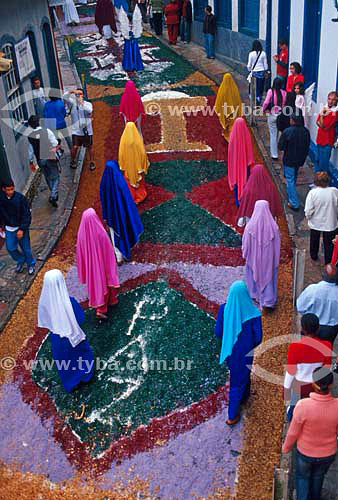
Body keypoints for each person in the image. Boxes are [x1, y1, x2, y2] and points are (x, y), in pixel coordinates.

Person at [282, 367, 338, 500]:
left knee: (302, 478)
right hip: (328, 454)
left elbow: (293, 433)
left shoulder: (302, 406)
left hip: (305, 453)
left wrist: (286, 448)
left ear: (313, 384)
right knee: (318, 478)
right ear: (331, 385)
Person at [37, 269, 94, 392]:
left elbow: (46, 321)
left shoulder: (44, 303)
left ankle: (71, 383)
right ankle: (85, 375)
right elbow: (80, 318)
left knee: (65, 361)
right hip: (73, 335)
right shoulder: (70, 302)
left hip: (58, 339)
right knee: (80, 355)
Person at [215, 280, 262, 426]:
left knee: (238, 377)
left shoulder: (224, 309)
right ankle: (232, 415)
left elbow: (217, 332)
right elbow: (258, 337)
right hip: (245, 353)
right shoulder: (254, 314)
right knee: (237, 383)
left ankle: (245, 395)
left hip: (230, 351)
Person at [284, 313, 332, 421]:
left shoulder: (294, 347)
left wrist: (286, 389)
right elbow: (326, 369)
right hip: (317, 385)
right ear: (318, 327)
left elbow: (291, 371)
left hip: (298, 385)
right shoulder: (327, 346)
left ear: (302, 329)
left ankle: (292, 419)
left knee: (294, 408)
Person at [76, 208, 120, 320]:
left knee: (98, 285)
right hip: (104, 265)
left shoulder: (81, 235)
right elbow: (108, 249)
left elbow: (80, 253)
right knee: (108, 282)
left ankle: (103, 307)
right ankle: (107, 304)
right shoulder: (100, 232)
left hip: (93, 267)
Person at [100, 160, 143, 263]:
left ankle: (119, 256)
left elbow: (103, 198)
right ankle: (125, 250)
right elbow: (127, 199)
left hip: (112, 215)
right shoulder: (121, 182)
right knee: (124, 230)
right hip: (122, 214)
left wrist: (106, 215)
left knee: (114, 234)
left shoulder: (104, 183)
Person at [242, 200, 281, 310]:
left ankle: (255, 294)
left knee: (253, 274)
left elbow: (245, 245)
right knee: (269, 277)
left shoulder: (249, 227)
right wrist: (275, 258)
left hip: (253, 259)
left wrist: (246, 254)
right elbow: (278, 245)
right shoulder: (274, 227)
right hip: (269, 260)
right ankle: (268, 300)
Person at [297, 264, 338, 345]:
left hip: (310, 326)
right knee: (325, 351)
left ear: (322, 275)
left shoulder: (312, 289)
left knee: (306, 349)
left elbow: (300, 307)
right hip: (330, 330)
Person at [0, 180, 35, 275]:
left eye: (12, 189)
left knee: (26, 248)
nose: (11, 191)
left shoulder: (20, 199)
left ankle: (31, 264)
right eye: (8, 190)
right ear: (3, 189)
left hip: (20, 228)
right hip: (9, 228)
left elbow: (26, 215)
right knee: (10, 248)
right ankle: (21, 259)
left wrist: (22, 229)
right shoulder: (1, 199)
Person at [278, 111, 310, 211]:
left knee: (290, 180)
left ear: (293, 121)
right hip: (300, 160)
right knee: (293, 177)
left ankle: (294, 203)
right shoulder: (306, 131)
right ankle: (292, 193)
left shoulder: (287, 131)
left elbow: (281, 146)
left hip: (289, 159)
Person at [304, 171, 338, 264]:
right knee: (329, 244)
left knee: (314, 239)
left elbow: (308, 210)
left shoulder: (313, 193)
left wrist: (308, 217)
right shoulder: (334, 191)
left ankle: (314, 255)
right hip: (330, 222)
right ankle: (328, 261)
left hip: (316, 222)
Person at [27, 115, 61, 208]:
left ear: (30, 125)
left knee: (47, 176)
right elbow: (55, 143)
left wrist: (31, 161)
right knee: (56, 177)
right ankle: (53, 195)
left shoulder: (30, 136)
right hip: (49, 157)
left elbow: (30, 151)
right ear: (39, 122)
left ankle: (52, 193)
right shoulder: (47, 131)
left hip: (40, 160)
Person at [63, 88, 95, 171]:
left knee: (90, 147)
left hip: (87, 130)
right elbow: (64, 96)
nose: (79, 96)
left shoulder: (88, 104)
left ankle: (92, 161)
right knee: (75, 147)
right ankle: (73, 160)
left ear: (83, 95)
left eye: (80, 94)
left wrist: (81, 103)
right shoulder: (72, 104)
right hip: (76, 131)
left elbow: (89, 110)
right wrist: (72, 91)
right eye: (77, 94)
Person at [118, 121, 149, 204]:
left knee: (129, 180)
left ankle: (131, 196)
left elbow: (121, 153)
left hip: (128, 167)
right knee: (139, 180)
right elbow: (142, 153)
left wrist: (123, 164)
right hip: (137, 167)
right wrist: (143, 164)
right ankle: (140, 195)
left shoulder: (123, 140)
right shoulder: (137, 140)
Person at [227, 117, 255, 206]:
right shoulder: (247, 135)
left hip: (235, 165)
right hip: (245, 165)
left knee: (236, 182)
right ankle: (245, 200)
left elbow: (230, 153)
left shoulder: (232, 137)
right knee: (245, 181)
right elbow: (250, 151)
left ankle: (238, 201)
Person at [262, 77, 287, 160]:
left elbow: (266, 102)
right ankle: (280, 148)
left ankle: (274, 154)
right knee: (280, 133)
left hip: (272, 115)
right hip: (281, 115)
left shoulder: (270, 91)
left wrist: (263, 110)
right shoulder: (284, 93)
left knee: (273, 135)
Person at [215, 73, 242, 142]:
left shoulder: (222, 90)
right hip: (234, 112)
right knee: (232, 125)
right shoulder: (235, 89)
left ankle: (229, 138)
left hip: (224, 111)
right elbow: (238, 100)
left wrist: (219, 110)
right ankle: (233, 139)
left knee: (227, 125)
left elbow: (219, 101)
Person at [43, 89, 72, 154]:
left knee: (55, 140)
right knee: (67, 138)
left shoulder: (46, 105)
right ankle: (72, 150)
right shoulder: (60, 103)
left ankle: (58, 152)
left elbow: (45, 115)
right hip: (61, 123)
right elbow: (64, 113)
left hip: (52, 125)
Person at [315, 91, 338, 174]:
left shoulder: (335, 113)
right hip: (320, 139)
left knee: (324, 164)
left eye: (333, 100)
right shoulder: (325, 108)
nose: (330, 101)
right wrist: (321, 117)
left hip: (327, 140)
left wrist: (321, 115)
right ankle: (317, 181)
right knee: (317, 160)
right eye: (329, 99)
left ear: (336, 100)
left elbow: (323, 126)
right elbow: (317, 122)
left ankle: (323, 183)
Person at [119, 6, 144, 72]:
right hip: (131, 42)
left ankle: (132, 65)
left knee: (131, 53)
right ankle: (132, 65)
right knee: (130, 53)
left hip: (131, 42)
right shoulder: (127, 26)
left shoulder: (133, 26)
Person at [247, 40, 268, 106]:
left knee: (254, 86)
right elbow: (265, 65)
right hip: (261, 72)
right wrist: (266, 71)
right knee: (260, 87)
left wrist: (250, 69)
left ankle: (253, 98)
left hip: (254, 72)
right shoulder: (263, 53)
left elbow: (249, 65)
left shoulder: (251, 54)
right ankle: (259, 98)